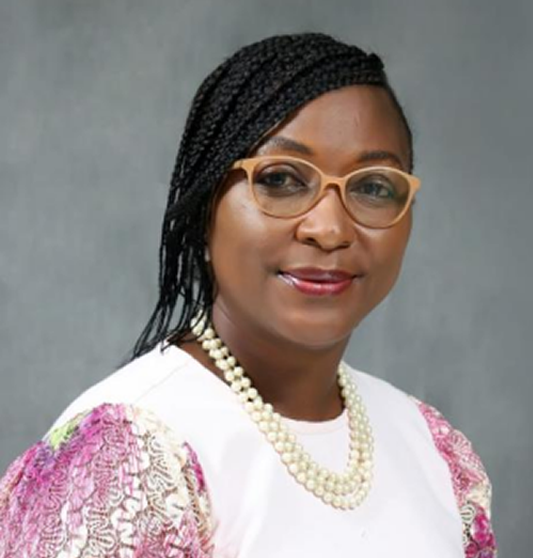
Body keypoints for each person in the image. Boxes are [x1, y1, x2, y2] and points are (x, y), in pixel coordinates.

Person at [0, 33, 496, 557]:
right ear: (205, 207)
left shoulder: (433, 451)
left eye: (372, 186)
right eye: (281, 179)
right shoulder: (132, 461)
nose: (329, 229)